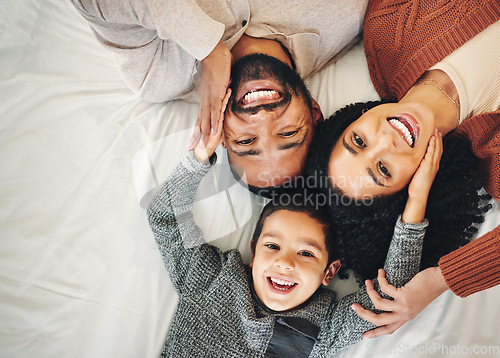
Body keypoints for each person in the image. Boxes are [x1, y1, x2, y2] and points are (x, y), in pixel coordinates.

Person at [146, 91, 441, 357]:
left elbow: (392, 296)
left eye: (306, 253)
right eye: (272, 245)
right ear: (253, 249)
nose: (284, 263)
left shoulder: (324, 327)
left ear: (330, 271)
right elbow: (165, 216)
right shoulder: (210, 278)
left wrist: (416, 198)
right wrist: (201, 156)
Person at [306, 0, 500, 337]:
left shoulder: (388, 30)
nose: (386, 139)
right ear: (411, 186)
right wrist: (442, 279)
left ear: (356, 118)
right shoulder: (491, 155)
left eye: (359, 140)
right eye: (383, 169)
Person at [70, 0, 368, 188]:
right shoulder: (345, 13)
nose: (263, 119)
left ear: (222, 135)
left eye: (246, 140)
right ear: (314, 112)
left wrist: (207, 47)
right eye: (288, 133)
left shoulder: (158, 75)